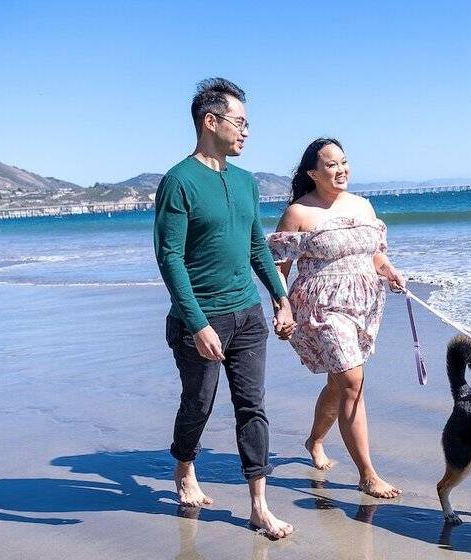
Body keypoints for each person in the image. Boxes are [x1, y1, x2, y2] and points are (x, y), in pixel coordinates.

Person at [154, 78, 295, 538]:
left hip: (248, 316)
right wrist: (197, 324)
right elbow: (169, 256)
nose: (247, 132)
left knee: (251, 406)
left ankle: (258, 503)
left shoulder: (245, 182)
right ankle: (184, 467)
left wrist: (280, 296)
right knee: (198, 402)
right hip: (202, 318)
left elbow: (257, 244)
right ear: (209, 121)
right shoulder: (179, 182)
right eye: (240, 122)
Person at [267, 138, 406, 499]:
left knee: (340, 384)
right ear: (313, 173)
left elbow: (373, 254)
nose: (340, 169)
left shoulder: (363, 205)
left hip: (363, 303)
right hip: (320, 306)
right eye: (330, 164)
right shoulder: (299, 212)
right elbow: (278, 268)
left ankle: (314, 440)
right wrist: (281, 307)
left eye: (344, 162)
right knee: (352, 379)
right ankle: (368, 474)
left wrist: (390, 271)